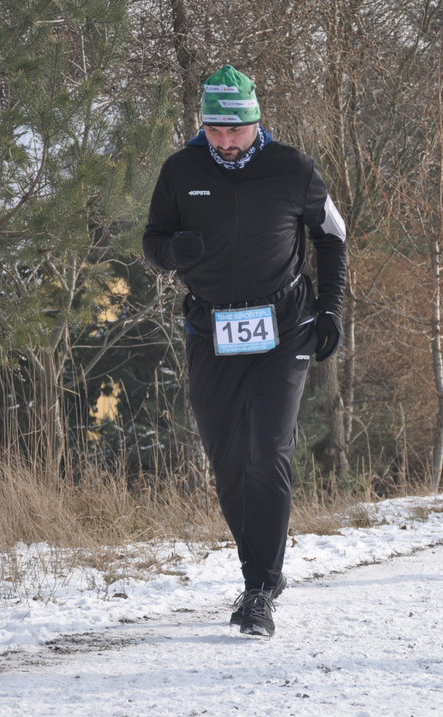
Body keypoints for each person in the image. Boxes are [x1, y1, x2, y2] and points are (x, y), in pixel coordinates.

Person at [142, 65, 347, 637]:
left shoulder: (293, 168)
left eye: (236, 129)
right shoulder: (181, 170)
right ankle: (257, 573)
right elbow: (153, 241)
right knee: (228, 459)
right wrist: (172, 252)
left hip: (284, 326)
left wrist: (331, 309)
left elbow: (332, 236)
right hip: (211, 330)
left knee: (269, 449)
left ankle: (260, 587)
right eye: (215, 130)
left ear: (257, 121)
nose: (226, 141)